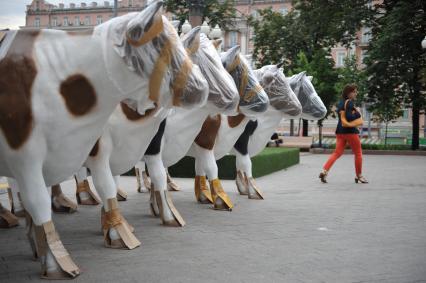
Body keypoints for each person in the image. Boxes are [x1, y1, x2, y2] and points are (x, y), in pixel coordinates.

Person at [319, 84, 368, 184]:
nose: (356, 93)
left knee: (337, 153)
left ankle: (324, 170)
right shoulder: (349, 103)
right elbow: (349, 117)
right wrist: (357, 112)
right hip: (350, 132)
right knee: (358, 153)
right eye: (354, 91)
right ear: (348, 93)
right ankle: (359, 175)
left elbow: (343, 116)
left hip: (340, 131)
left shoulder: (341, 103)